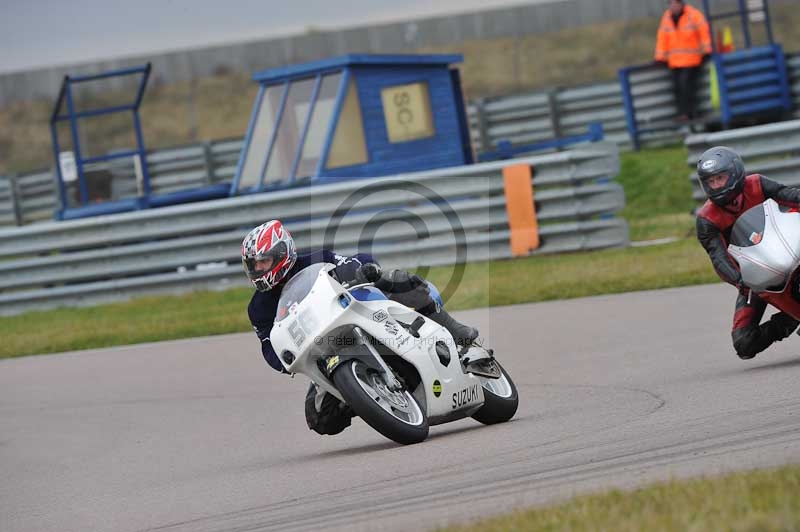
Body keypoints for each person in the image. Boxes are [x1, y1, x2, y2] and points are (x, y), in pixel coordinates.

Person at [241, 219, 479, 435]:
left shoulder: (316, 259)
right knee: (320, 419)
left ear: (283, 253)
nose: (258, 269)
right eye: (254, 264)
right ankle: (365, 396)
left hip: (356, 313)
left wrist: (364, 269)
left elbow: (355, 259)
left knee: (394, 279)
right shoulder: (258, 309)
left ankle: (454, 330)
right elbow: (268, 345)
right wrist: (283, 361)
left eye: (264, 261)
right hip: (322, 349)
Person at [695, 146, 800, 360]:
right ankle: (790, 319)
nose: (715, 185)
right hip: (755, 278)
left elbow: (789, 196)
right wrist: (741, 281)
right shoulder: (707, 219)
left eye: (720, 178)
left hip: (790, 251)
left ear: (735, 173)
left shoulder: (757, 184)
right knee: (744, 343)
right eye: (710, 181)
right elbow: (718, 258)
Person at [654, 0, 712, 123]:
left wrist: (707, 51)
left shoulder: (694, 15)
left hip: (691, 59)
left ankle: (691, 113)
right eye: (671, 4)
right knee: (677, 88)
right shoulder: (666, 18)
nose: (673, 6)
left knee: (686, 85)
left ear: (681, 4)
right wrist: (660, 57)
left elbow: (704, 32)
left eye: (676, 3)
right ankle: (683, 114)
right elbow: (662, 38)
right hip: (675, 61)